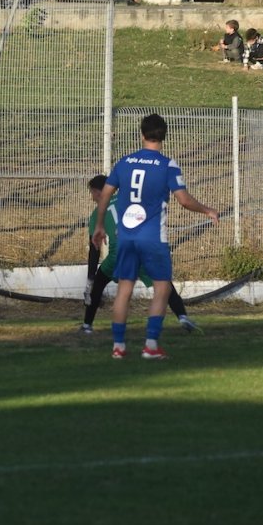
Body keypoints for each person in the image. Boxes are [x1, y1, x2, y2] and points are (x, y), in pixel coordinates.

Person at [92, 114, 218, 360]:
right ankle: (150, 345)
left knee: (124, 290)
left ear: (142, 134)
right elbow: (183, 200)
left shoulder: (124, 162)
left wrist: (99, 225)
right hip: (153, 238)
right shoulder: (167, 165)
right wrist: (207, 209)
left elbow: (105, 194)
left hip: (127, 237)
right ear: (164, 135)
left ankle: (118, 347)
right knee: (162, 288)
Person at [82, 174, 203, 335]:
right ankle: (182, 316)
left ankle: (87, 326)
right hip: (143, 248)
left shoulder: (98, 212)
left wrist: (90, 277)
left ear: (98, 192)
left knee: (98, 285)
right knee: (163, 283)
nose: (92, 198)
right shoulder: (129, 200)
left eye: (92, 193)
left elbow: (94, 248)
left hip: (119, 253)